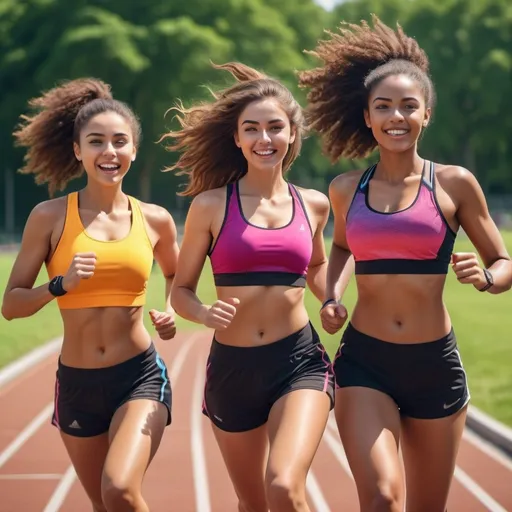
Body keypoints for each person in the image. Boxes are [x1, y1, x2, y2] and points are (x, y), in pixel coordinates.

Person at [299, 16, 512, 512]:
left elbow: (502, 260)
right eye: (384, 107)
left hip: (434, 364)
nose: (397, 116)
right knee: (381, 500)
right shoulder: (346, 189)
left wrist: (486, 278)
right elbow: (343, 251)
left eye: (409, 106)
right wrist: (332, 296)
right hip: (365, 363)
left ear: (427, 114)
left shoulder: (455, 183)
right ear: (368, 118)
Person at [161, 62, 337, 512]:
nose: (265, 139)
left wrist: (330, 296)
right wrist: (202, 313)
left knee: (284, 487)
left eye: (276, 128)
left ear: (293, 135)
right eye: (252, 129)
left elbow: (317, 266)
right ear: (237, 139)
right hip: (233, 369)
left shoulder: (313, 205)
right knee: (253, 502)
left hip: (299, 362)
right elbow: (181, 290)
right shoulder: (210, 206)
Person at [2, 78, 180, 512]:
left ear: (134, 150)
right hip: (78, 384)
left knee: (119, 488)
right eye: (96, 141)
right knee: (104, 504)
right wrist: (59, 285)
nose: (109, 152)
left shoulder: (155, 219)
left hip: (138, 377)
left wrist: (171, 310)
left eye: (120, 141)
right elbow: (11, 306)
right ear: (78, 150)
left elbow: (178, 276)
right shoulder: (48, 217)